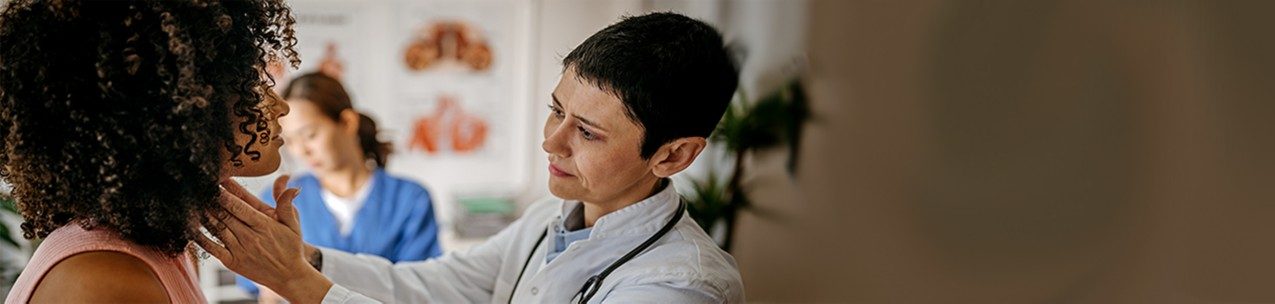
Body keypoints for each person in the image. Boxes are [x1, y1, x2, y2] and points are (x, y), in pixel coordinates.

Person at [201, 12, 744, 303]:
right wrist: (309, 261)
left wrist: (301, 286)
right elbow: (438, 286)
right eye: (556, 111)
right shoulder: (545, 220)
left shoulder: (679, 286)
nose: (551, 142)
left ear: (673, 156)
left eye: (588, 133)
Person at [0, 0, 298, 303]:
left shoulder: (157, 248)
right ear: (180, 109)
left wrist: (294, 274)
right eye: (252, 85)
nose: (280, 107)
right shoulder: (109, 279)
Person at [237, 72, 443, 301]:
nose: (302, 151)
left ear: (347, 122)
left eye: (310, 135)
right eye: (291, 141)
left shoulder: (409, 199)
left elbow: (419, 287)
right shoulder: (280, 199)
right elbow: (260, 284)